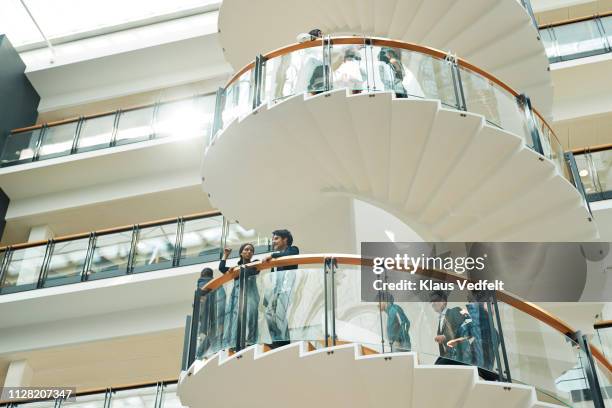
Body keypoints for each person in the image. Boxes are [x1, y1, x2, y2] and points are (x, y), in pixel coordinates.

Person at [262, 229, 299, 348]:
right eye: (273, 239)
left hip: (286, 289)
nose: (273, 241)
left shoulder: (293, 249)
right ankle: (277, 340)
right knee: (268, 314)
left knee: (281, 316)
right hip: (275, 290)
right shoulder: (275, 259)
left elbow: (288, 256)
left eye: (276, 238)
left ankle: (284, 342)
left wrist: (272, 255)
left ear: (285, 239)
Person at [219, 243, 259, 349]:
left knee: (251, 315)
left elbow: (252, 271)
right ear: (241, 253)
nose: (249, 252)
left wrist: (237, 271)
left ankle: (251, 340)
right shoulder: (236, 267)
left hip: (251, 293)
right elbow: (221, 268)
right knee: (233, 316)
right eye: (246, 250)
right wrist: (226, 255)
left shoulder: (255, 263)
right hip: (237, 294)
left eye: (251, 250)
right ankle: (232, 342)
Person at [196, 267, 226, 358]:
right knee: (214, 333)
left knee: (207, 335)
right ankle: (213, 351)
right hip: (216, 315)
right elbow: (222, 300)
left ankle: (199, 355)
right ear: (212, 276)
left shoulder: (199, 287)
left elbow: (198, 304)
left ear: (201, 275)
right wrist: (222, 318)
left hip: (204, 316)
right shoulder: (217, 284)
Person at [430, 290, 465, 359]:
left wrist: (445, 337)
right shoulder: (440, 321)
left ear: (444, 301)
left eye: (435, 300)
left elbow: (463, 331)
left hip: (459, 357)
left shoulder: (454, 311)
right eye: (432, 302)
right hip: (448, 358)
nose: (433, 304)